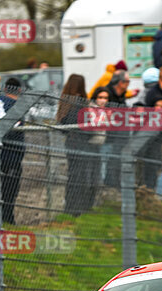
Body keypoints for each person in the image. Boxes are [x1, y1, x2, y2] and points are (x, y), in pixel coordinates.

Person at [56, 74, 97, 216]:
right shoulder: (80, 103)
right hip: (81, 143)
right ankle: (76, 208)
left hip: (70, 142)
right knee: (80, 177)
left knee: (73, 175)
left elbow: (61, 125)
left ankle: (70, 207)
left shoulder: (65, 102)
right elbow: (86, 127)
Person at [0, 77, 25, 225]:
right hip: (12, 153)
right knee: (10, 188)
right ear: (19, 90)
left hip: (0, 152)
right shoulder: (16, 106)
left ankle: (2, 216)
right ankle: (7, 217)